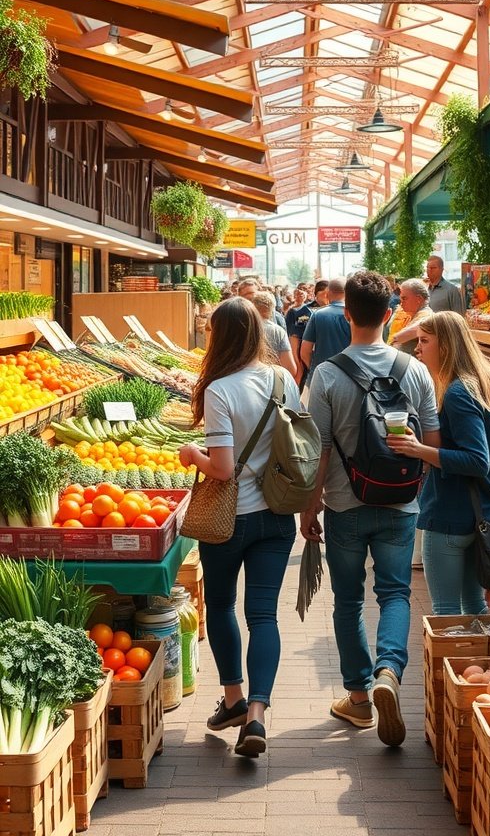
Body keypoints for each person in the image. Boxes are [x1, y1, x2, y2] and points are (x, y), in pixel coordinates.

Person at [301, 272, 440, 746]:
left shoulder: (326, 374)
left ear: (345, 315)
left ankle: (359, 700)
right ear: (389, 314)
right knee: (396, 594)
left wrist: (310, 505)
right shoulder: (414, 369)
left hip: (344, 503)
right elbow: (433, 442)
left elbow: (317, 447)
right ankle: (389, 673)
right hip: (402, 503)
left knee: (347, 600)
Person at [179, 297, 301, 758]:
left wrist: (192, 456)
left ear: (219, 336)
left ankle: (232, 698)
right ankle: (256, 715)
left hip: (228, 521)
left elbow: (224, 469)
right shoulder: (282, 379)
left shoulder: (218, 389)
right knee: (264, 615)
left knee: (223, 606)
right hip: (276, 515)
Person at [386, 311, 490, 616]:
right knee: (475, 606)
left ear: (446, 346)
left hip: (451, 515)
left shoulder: (457, 392)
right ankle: (482, 663)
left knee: (446, 613)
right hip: (485, 512)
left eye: (425, 341)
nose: (417, 348)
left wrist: (418, 449)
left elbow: (477, 460)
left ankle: (461, 665)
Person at [300, 277, 351, 388]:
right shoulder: (354, 315)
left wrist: (313, 368)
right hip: (348, 379)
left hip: (320, 379)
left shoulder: (318, 315)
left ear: (327, 293)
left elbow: (305, 350)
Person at [252, 290, 297, 377]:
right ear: (272, 308)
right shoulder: (278, 331)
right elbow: (290, 368)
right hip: (272, 381)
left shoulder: (245, 328)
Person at [387, 278, 433, 355]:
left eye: (404, 298)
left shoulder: (427, 316)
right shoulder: (412, 314)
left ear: (419, 299)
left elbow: (397, 338)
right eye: (401, 299)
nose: (401, 303)